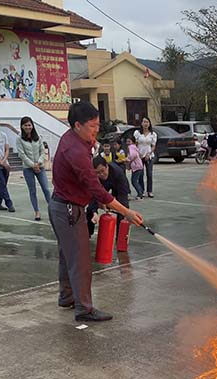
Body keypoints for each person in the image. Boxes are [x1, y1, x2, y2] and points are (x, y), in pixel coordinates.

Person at [49, 101, 143, 322]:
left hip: (63, 207)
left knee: (67, 256)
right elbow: (96, 189)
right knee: (80, 260)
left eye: (98, 124)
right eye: (92, 126)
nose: (96, 130)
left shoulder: (76, 138)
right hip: (69, 210)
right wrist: (127, 213)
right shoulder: (74, 151)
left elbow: (92, 148)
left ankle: (67, 297)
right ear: (77, 125)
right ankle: (84, 309)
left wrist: (93, 140)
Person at [16, 116, 51, 221]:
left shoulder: (38, 137)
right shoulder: (19, 139)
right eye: (25, 125)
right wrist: (32, 165)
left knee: (46, 189)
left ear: (32, 125)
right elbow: (21, 154)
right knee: (32, 191)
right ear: (22, 126)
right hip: (28, 168)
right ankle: (37, 212)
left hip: (40, 167)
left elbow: (42, 151)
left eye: (29, 125)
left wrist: (39, 163)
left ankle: (52, 210)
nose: (28, 127)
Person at [87, 156, 130, 238]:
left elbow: (123, 197)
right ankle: (88, 232)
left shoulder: (118, 173)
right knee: (90, 209)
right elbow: (92, 196)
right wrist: (94, 212)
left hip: (117, 186)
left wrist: (125, 212)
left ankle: (120, 238)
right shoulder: (93, 177)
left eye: (103, 170)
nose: (101, 174)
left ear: (107, 166)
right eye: (97, 173)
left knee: (122, 210)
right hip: (100, 187)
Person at [133, 117, 157, 198]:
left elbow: (153, 146)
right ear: (141, 123)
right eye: (144, 122)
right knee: (140, 174)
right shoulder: (137, 133)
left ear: (149, 123)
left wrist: (149, 154)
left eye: (147, 122)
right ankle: (141, 191)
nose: (145, 123)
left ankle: (149, 191)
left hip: (149, 156)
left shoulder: (153, 134)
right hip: (139, 156)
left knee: (149, 174)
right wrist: (137, 153)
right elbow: (135, 145)